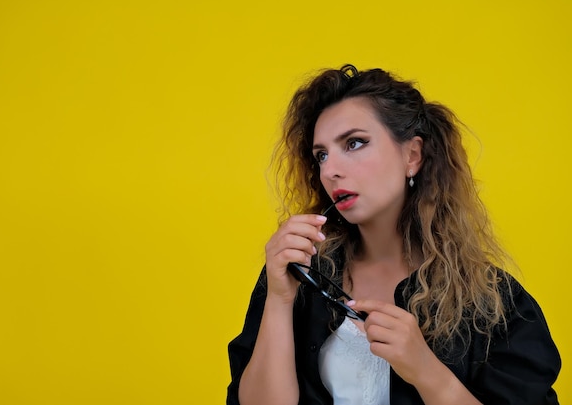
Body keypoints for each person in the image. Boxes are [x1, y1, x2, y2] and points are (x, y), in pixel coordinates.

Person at [226, 64, 561, 405]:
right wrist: (280, 299)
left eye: (354, 143)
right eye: (321, 155)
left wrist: (426, 370)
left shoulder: (493, 301)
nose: (330, 170)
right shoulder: (301, 272)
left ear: (412, 155)